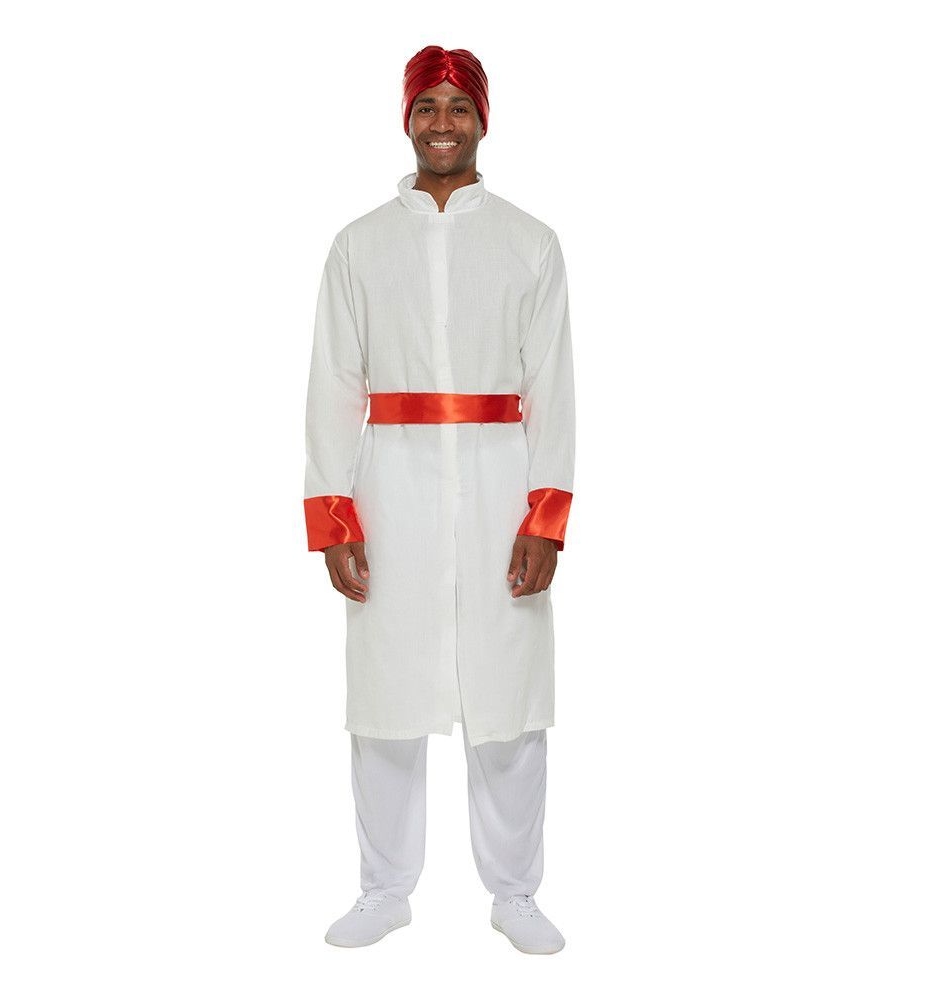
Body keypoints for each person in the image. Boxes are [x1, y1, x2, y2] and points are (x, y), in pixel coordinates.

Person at [303, 45, 576, 955]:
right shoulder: (359, 245)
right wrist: (334, 517)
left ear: (483, 119)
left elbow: (554, 388)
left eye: (460, 107)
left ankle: (516, 895)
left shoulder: (531, 243)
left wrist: (545, 517)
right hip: (394, 488)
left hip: (501, 485)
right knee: (386, 694)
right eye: (429, 107)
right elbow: (333, 385)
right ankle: (384, 889)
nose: (444, 124)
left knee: (508, 698)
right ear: (407, 119)